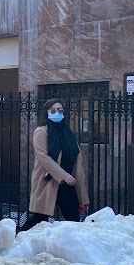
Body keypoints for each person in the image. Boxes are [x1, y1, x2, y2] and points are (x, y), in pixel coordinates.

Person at [19, 98, 89, 232]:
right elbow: (44, 158)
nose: (57, 113)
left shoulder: (67, 132)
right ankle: (19, 238)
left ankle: (71, 246)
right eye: (53, 110)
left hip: (68, 182)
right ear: (47, 113)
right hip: (49, 180)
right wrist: (63, 176)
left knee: (73, 217)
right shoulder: (41, 131)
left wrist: (74, 176)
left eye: (60, 110)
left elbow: (75, 153)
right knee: (40, 218)